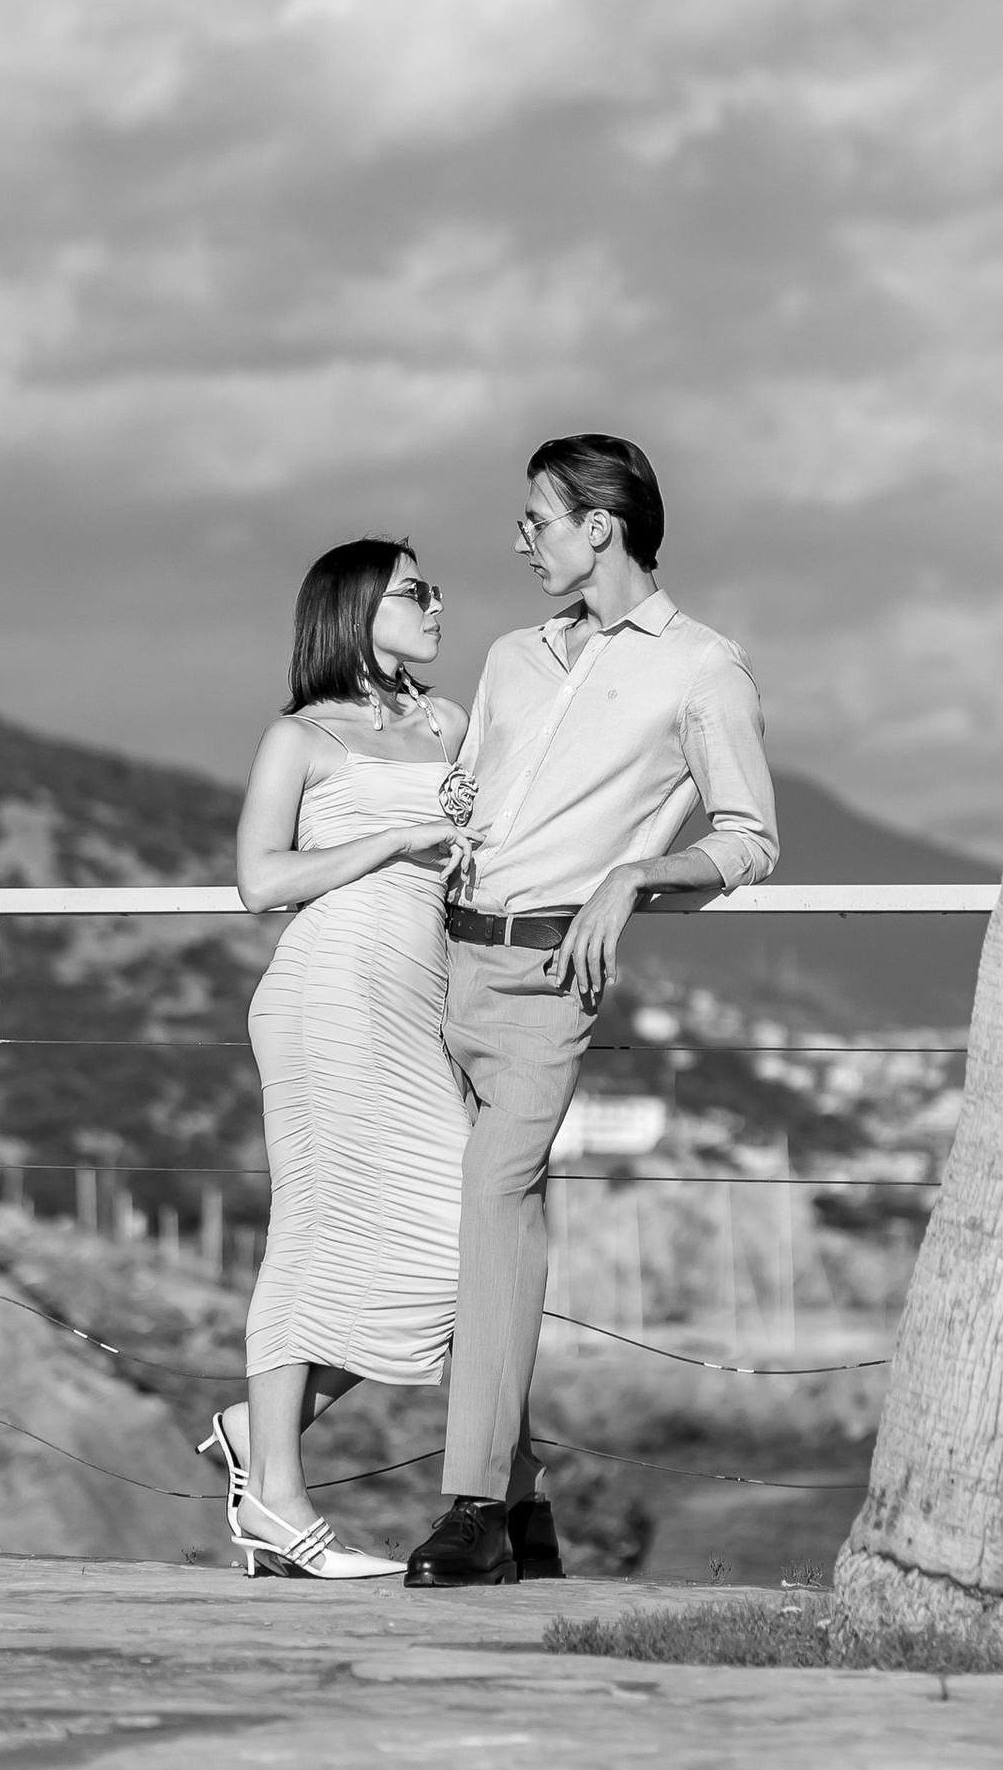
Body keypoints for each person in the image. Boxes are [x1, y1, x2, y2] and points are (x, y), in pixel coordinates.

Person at [402, 433, 776, 1591]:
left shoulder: (703, 669)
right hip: (438, 960)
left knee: (493, 1203)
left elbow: (750, 835)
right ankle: (521, 1512)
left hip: (543, 980)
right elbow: (484, 803)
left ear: (599, 527)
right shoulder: (511, 658)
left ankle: (468, 1508)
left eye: (538, 521)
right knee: (469, 1228)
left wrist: (634, 877)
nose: (520, 540)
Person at [208, 537, 468, 1582]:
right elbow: (258, 880)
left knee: (460, 1240)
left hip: (419, 1000)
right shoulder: (301, 735)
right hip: (327, 991)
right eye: (414, 591)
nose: (436, 604)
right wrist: (389, 845)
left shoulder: (450, 723)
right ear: (357, 610)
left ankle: (251, 1428)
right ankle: (275, 1496)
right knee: (313, 1232)